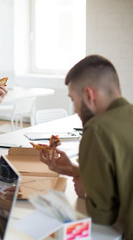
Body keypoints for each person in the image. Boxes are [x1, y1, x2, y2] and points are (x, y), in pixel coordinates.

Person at [38, 55, 133, 239]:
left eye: (73, 99)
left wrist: (86, 191)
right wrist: (77, 171)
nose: (74, 109)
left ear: (89, 95)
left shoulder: (97, 130)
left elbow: (102, 215)